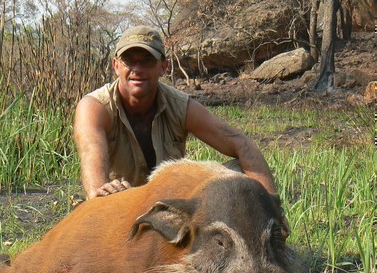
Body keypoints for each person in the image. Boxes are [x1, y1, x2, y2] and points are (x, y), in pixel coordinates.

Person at [74, 25, 288, 235]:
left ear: (163, 67)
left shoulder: (181, 106)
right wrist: (98, 193)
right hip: (120, 205)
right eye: (129, 61)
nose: (137, 70)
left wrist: (273, 211)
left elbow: (242, 144)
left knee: (238, 172)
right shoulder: (95, 107)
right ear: (116, 66)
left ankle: (263, 234)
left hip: (172, 208)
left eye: (147, 61)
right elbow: (91, 153)